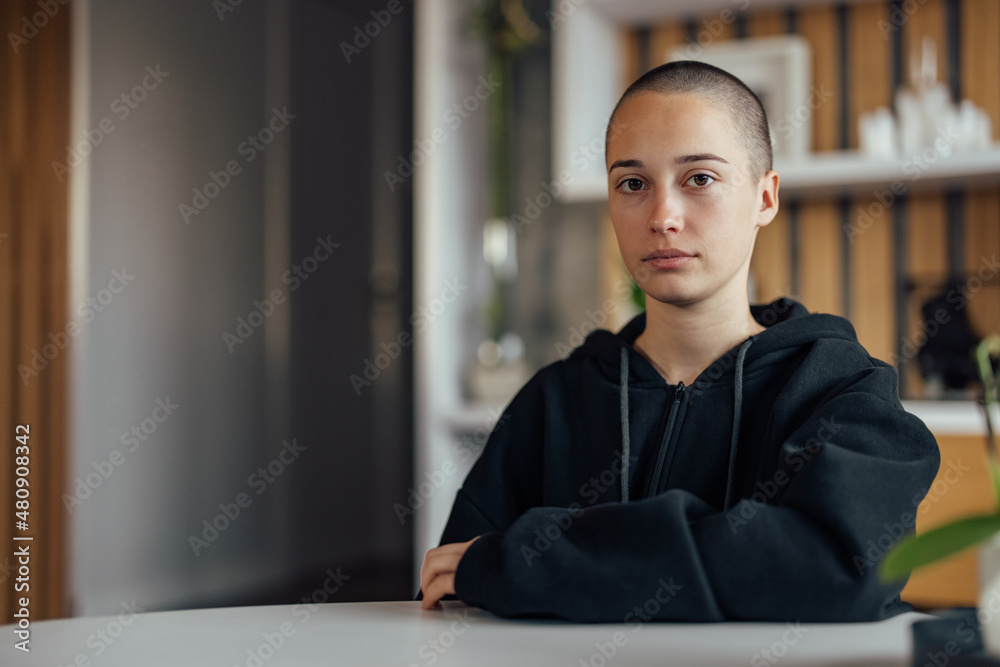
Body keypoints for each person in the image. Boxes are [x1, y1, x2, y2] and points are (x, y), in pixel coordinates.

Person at [418, 60, 941, 622]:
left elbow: (838, 568)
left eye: (700, 179)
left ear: (765, 198)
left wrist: (539, 558)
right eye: (633, 184)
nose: (663, 216)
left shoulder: (842, 389)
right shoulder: (553, 401)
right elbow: (457, 594)